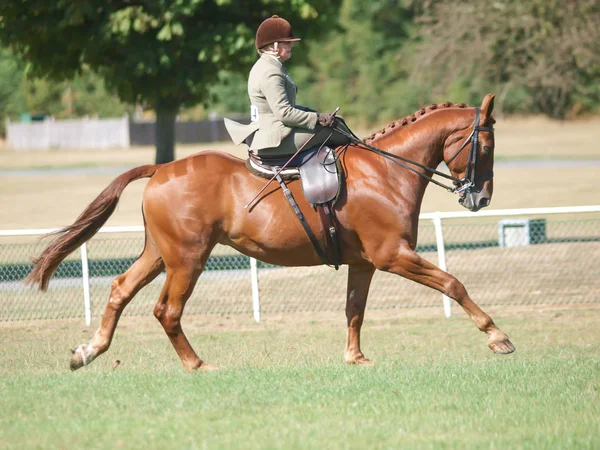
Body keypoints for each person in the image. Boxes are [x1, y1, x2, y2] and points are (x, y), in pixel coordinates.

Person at [224, 15, 351, 158]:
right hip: (275, 139)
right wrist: (316, 118)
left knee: (337, 121)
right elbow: (284, 113)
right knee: (335, 130)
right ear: (274, 46)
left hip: (275, 131)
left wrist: (313, 113)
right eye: (287, 43)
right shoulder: (270, 72)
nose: (291, 46)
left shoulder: (269, 66)